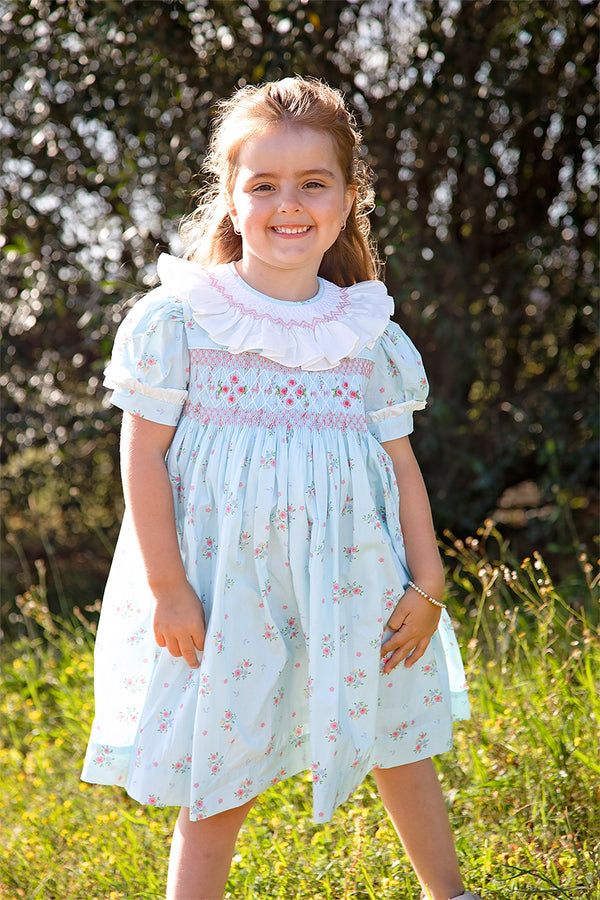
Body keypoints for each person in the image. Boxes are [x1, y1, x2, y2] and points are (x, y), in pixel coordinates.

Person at [82, 76, 482, 900]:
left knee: (400, 738)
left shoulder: (367, 334)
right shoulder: (182, 321)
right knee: (217, 764)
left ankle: (452, 893)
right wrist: (169, 588)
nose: (287, 204)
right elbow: (143, 459)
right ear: (230, 198)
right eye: (263, 184)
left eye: (313, 183)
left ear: (346, 200)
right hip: (226, 587)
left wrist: (428, 577)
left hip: (354, 576)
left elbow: (399, 467)